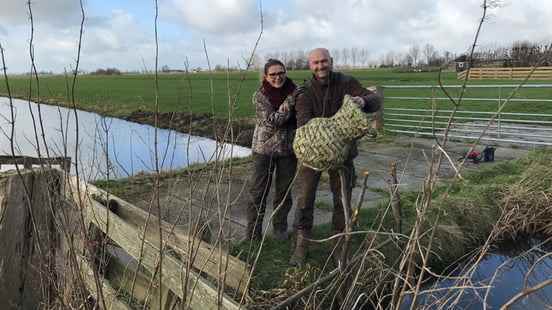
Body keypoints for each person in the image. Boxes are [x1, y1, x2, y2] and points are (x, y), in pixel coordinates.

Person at [290, 48, 382, 265]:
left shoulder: (346, 83)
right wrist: (324, 135)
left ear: (331, 61)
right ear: (309, 66)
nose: (320, 66)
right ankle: (301, 243)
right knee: (305, 198)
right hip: (312, 155)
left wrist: (362, 102)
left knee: (343, 197)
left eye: (324, 61)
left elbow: (375, 100)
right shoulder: (304, 92)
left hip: (344, 154)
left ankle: (339, 243)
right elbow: (303, 123)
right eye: (315, 63)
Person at [245, 59, 298, 241]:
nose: (278, 77)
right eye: (273, 74)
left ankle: (279, 231)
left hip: (288, 150)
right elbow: (273, 120)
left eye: (281, 72)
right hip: (264, 151)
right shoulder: (260, 96)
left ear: (286, 72)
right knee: (258, 192)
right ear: (266, 76)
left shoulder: (296, 89)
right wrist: (290, 103)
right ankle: (253, 235)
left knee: (284, 193)